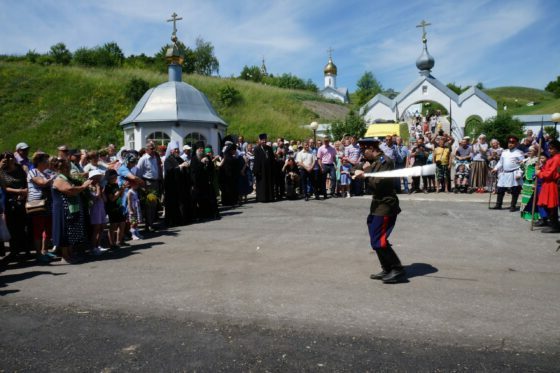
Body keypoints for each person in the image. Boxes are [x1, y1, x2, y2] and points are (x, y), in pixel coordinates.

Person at [353, 140, 405, 284]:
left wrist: (365, 172)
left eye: (364, 151)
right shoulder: (373, 161)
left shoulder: (385, 162)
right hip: (377, 204)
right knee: (376, 239)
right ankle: (387, 268)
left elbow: (378, 183)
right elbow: (355, 168)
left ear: (371, 148)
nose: (363, 154)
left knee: (379, 240)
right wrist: (358, 170)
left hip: (386, 204)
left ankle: (397, 268)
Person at [51, 158, 92, 263]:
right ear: (61, 168)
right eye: (66, 166)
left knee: (71, 232)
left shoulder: (66, 178)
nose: (68, 168)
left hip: (70, 209)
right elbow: (70, 191)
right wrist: (84, 186)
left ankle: (70, 254)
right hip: (62, 210)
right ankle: (65, 257)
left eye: (68, 166)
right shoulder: (59, 179)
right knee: (65, 232)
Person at [27, 152, 57, 263]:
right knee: (38, 230)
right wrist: (53, 177)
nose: (48, 163)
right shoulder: (32, 172)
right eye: (45, 161)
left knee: (48, 229)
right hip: (37, 204)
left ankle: (45, 251)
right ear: (39, 162)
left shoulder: (46, 172)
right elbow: (42, 183)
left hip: (48, 203)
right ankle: (39, 254)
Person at [0, 151, 29, 259]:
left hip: (23, 198)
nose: (10, 159)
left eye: (11, 157)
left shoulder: (19, 168)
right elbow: (4, 187)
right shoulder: (2, 171)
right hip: (10, 200)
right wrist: (18, 191)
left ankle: (26, 249)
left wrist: (25, 191)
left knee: (24, 225)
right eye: (7, 158)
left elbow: (26, 180)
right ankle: (14, 250)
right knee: (12, 226)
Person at [490, 135, 525, 211]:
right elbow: (501, 162)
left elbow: (523, 164)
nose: (510, 144)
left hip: (514, 173)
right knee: (500, 189)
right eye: (509, 142)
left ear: (516, 143)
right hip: (504, 173)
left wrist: (519, 173)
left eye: (513, 142)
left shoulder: (519, 153)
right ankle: (498, 204)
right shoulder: (504, 152)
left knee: (515, 190)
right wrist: (495, 168)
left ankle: (513, 206)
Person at [163, 141, 191, 226]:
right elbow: (169, 171)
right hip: (172, 186)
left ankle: (182, 220)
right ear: (171, 151)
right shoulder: (168, 160)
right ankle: (173, 221)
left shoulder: (179, 159)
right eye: (175, 149)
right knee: (173, 204)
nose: (177, 151)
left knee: (181, 203)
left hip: (180, 185)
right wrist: (180, 167)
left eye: (178, 149)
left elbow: (184, 167)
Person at [136, 141, 161, 231]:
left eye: (154, 148)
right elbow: (138, 173)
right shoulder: (143, 159)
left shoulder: (155, 157)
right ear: (146, 150)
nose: (154, 150)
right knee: (149, 205)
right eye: (152, 149)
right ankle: (148, 225)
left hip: (155, 182)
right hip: (147, 183)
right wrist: (142, 185)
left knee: (154, 204)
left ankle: (151, 223)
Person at [536, 140, 560, 233]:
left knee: (551, 205)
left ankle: (555, 226)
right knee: (547, 205)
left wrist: (539, 173)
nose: (549, 150)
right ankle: (554, 223)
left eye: (551, 148)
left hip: (551, 183)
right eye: (549, 148)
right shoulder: (553, 158)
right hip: (547, 183)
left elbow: (551, 173)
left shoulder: (557, 158)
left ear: (557, 149)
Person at [103, 169, 127, 249]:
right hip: (112, 208)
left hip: (119, 206)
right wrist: (120, 190)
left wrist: (122, 189)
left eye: (116, 177)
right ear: (109, 178)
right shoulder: (107, 187)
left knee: (122, 223)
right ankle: (111, 243)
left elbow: (120, 195)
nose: (115, 178)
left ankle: (119, 241)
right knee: (113, 225)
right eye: (113, 177)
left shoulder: (116, 185)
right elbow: (112, 198)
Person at [87, 169, 108, 255]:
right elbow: (95, 198)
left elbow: (105, 200)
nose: (99, 179)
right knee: (96, 228)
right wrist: (98, 189)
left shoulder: (99, 186)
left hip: (101, 208)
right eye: (97, 177)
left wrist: (102, 192)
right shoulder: (89, 187)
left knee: (102, 227)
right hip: (94, 209)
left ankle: (98, 245)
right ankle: (93, 247)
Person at [253, 133, 276, 202]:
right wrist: (256, 171)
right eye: (262, 140)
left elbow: (272, 159)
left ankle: (270, 197)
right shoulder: (257, 149)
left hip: (269, 170)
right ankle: (262, 198)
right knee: (261, 184)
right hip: (261, 170)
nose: (264, 141)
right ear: (259, 140)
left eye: (265, 140)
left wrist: (273, 168)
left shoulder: (269, 148)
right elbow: (256, 161)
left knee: (269, 183)